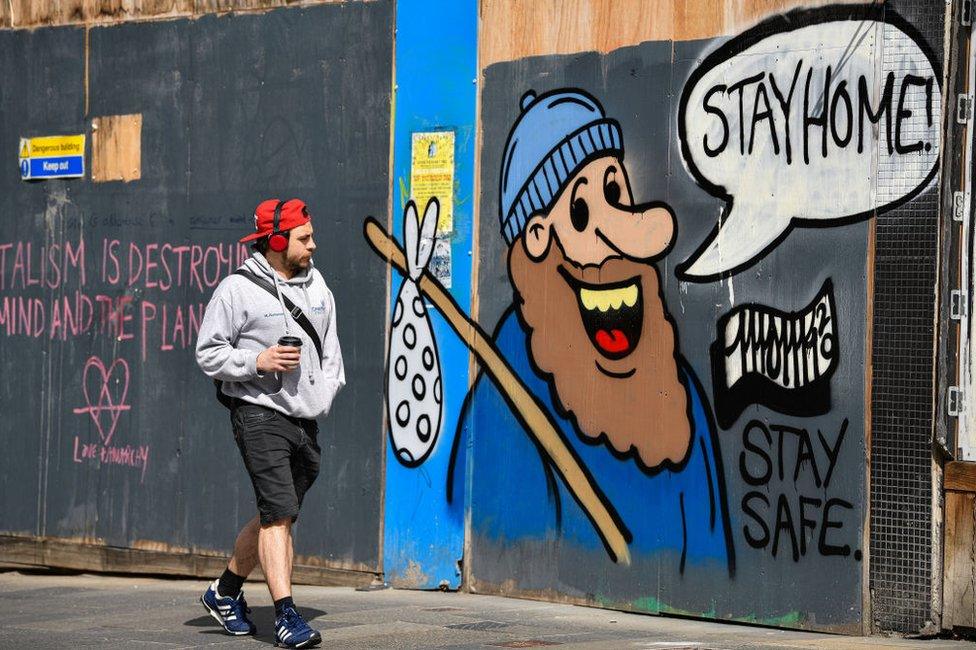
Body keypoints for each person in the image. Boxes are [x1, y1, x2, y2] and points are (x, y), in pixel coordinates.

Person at [447, 89, 734, 573]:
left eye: (616, 193)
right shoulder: (509, 392)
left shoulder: (672, 390)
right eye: (581, 211)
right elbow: (504, 542)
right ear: (538, 238)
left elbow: (710, 549)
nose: (616, 232)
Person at [195, 198, 345, 648]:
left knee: (273, 513)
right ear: (277, 241)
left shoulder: (319, 287)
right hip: (258, 412)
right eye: (304, 238)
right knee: (279, 515)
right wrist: (256, 360)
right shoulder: (236, 290)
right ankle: (286, 617)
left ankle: (223, 592)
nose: (313, 245)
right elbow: (208, 352)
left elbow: (331, 349)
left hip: (305, 417)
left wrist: (328, 390)